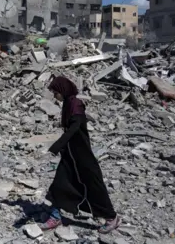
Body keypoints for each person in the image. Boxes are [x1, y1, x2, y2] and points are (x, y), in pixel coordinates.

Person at [40, 76, 120, 234]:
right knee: (58, 185)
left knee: (94, 187)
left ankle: (112, 217)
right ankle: (55, 216)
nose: (55, 96)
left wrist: (56, 146)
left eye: (56, 92)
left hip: (82, 156)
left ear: (62, 91)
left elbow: (74, 129)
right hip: (70, 156)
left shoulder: (76, 105)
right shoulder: (68, 104)